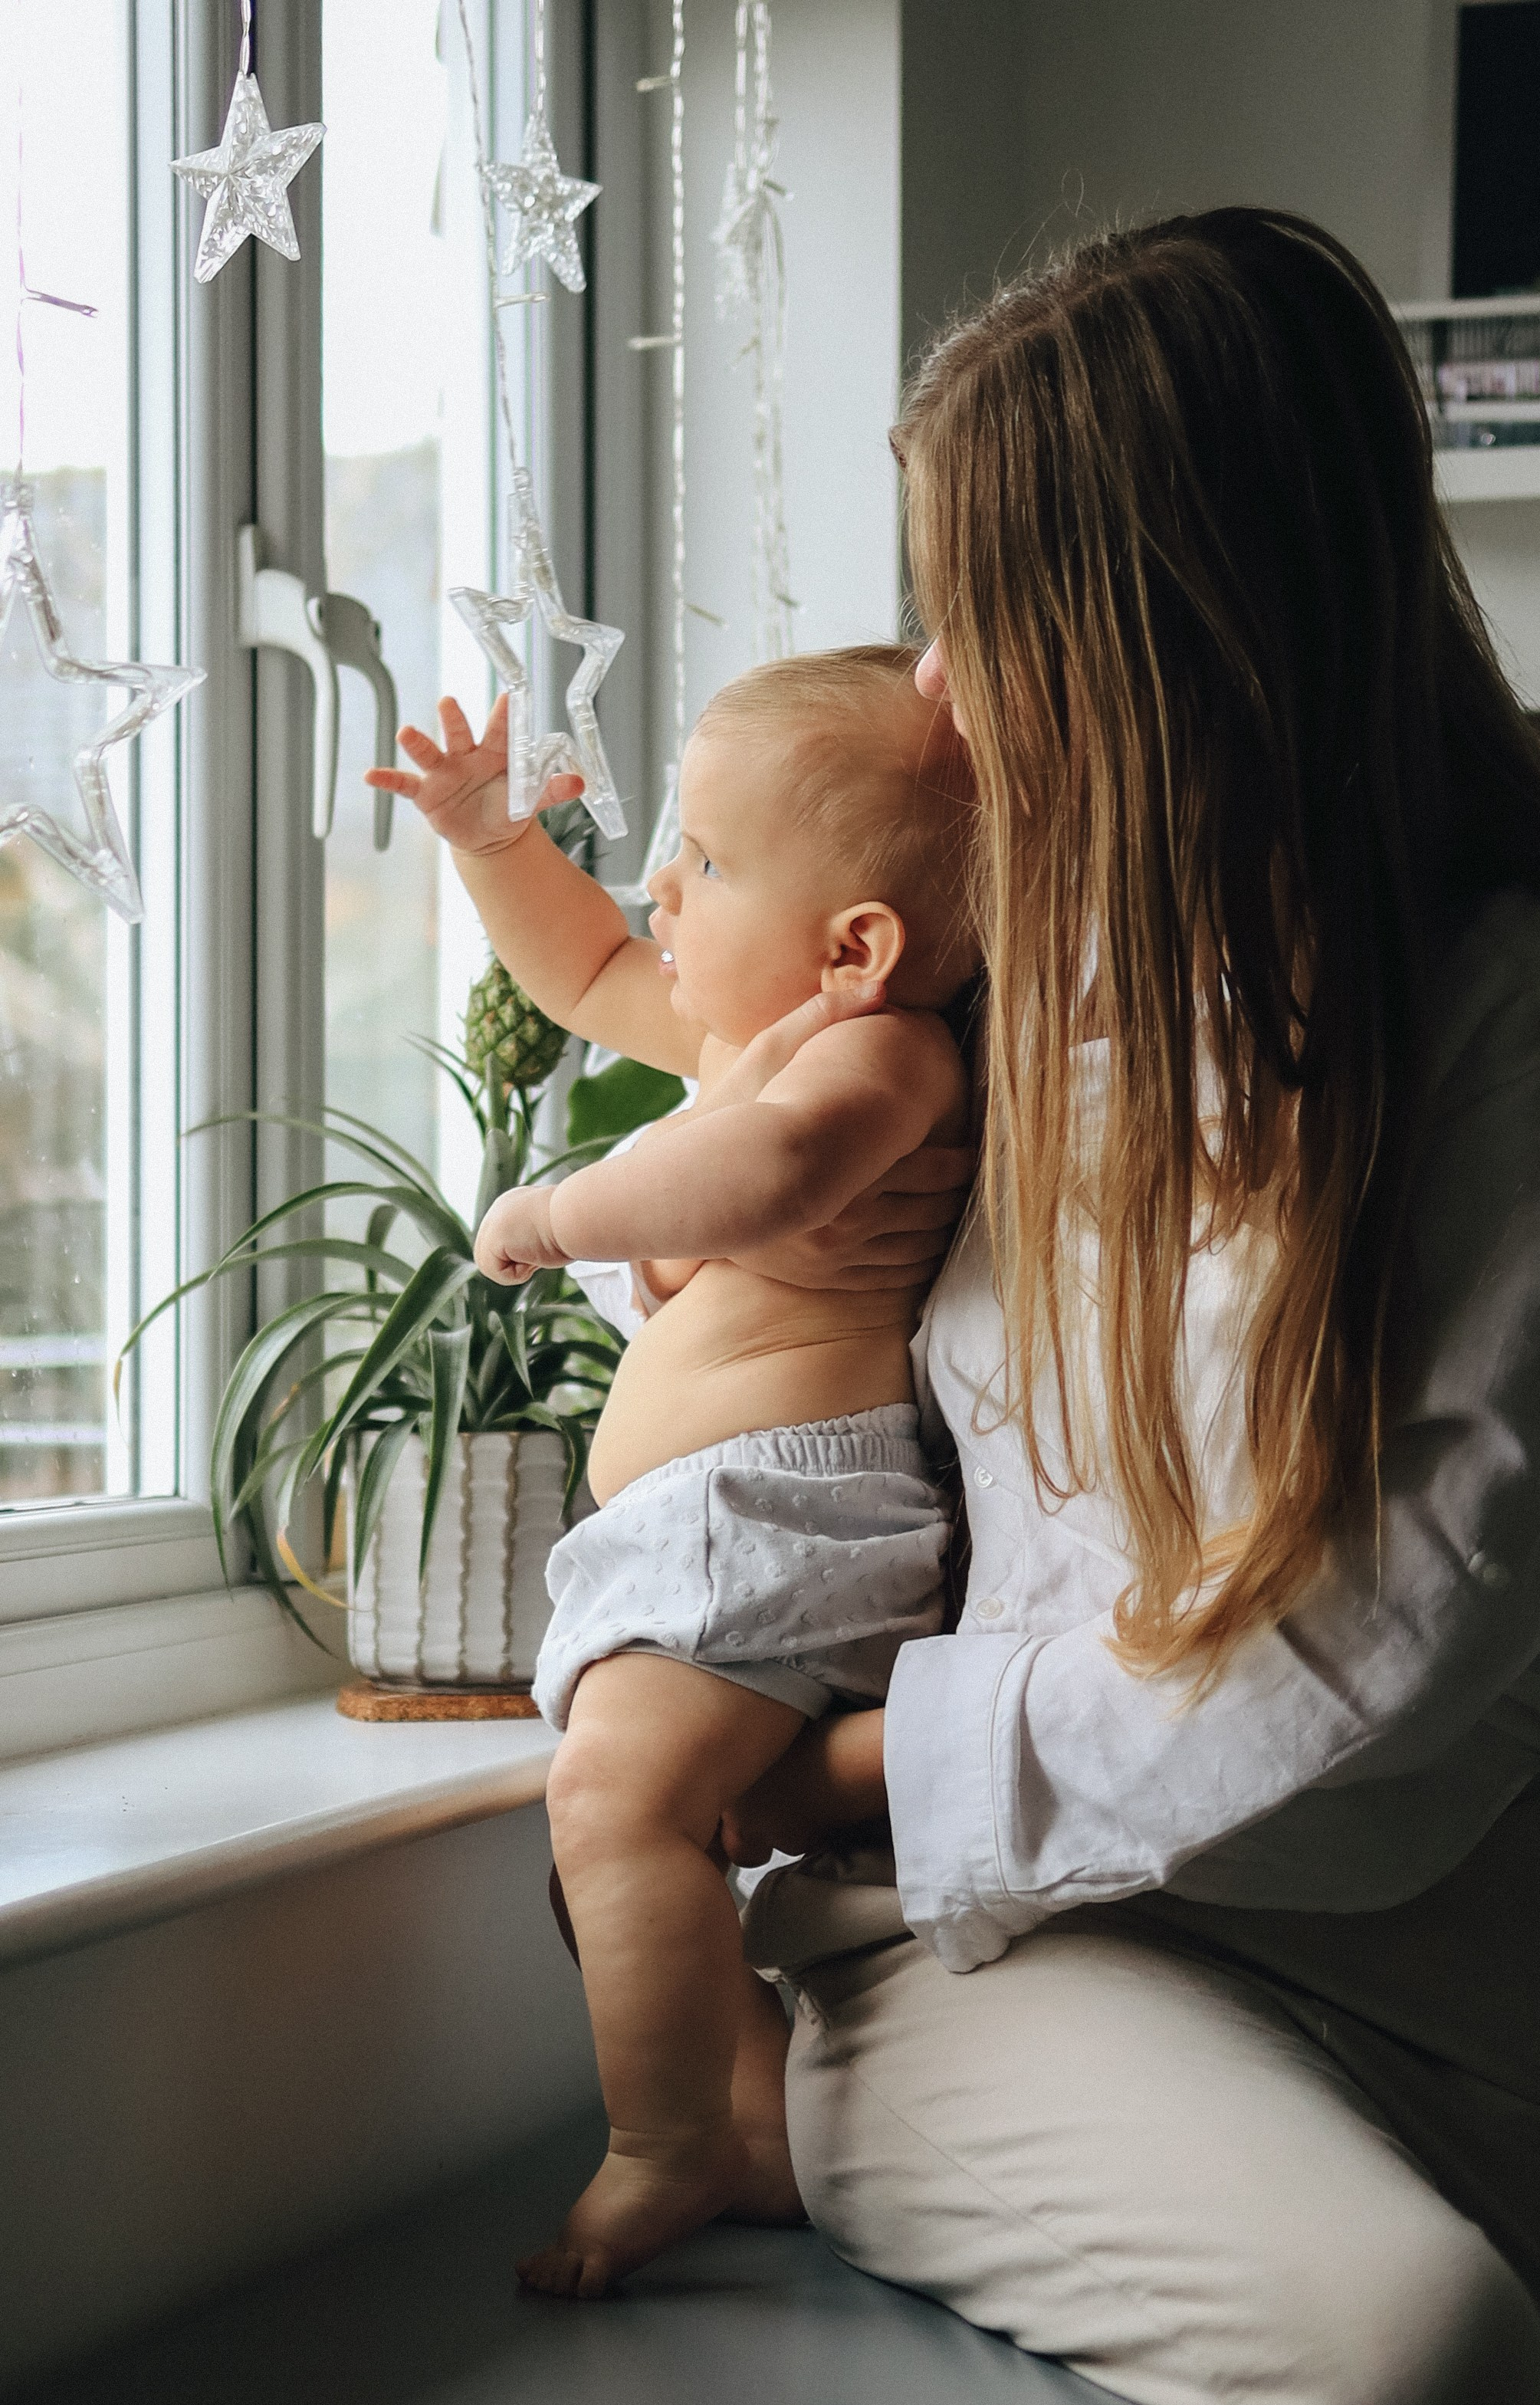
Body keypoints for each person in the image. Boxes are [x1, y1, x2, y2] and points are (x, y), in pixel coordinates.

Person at [691, 212, 1540, 2405]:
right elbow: (697, 1120)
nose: (927, 687)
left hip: (1406, 1861)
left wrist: (844, 1762)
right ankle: (799, 2117)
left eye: (966, 611)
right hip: (990, 1921)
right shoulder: (970, 983)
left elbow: (1380, 1631)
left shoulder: (1499, 992)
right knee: (1423, 2344)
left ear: (1144, 624)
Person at [367, 647, 976, 2298]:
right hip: (703, 1536)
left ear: (855, 946)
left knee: (610, 1803)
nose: (660, 884)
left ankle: (662, 2144)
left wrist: (557, 1214)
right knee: (641, 1851)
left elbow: (767, 1174)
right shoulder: (745, 1033)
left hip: (777, 1509)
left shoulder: (882, 1058)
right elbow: (584, 973)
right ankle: (758, 2136)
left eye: (704, 859)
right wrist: (493, 844)